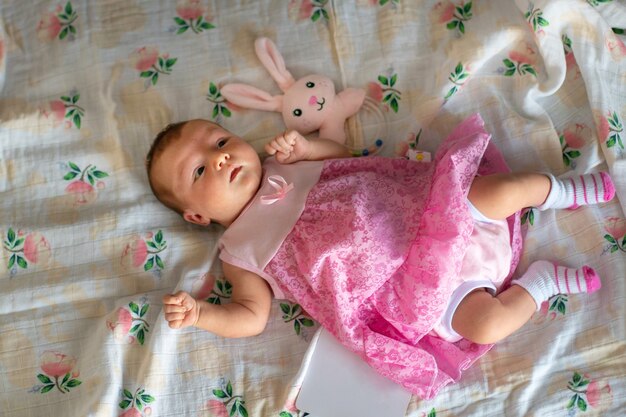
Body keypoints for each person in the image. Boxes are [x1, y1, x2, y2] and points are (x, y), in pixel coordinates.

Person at [146, 114, 614, 399]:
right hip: (413, 291)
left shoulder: (282, 163)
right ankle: (543, 283)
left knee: (506, 189)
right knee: (484, 325)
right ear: (197, 216)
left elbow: (345, 158)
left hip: (424, 213)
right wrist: (202, 314)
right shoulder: (237, 251)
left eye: (220, 141)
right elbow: (250, 316)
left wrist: (309, 148)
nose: (222, 157)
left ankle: (563, 190)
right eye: (202, 169)